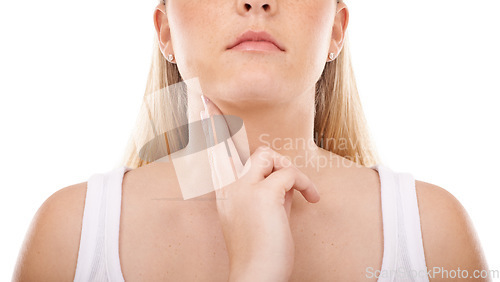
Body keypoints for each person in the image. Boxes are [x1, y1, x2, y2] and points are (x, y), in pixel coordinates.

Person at [13, 0, 490, 281]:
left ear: (336, 31)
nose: (256, 0)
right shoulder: (69, 237)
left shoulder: (433, 236)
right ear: (165, 32)